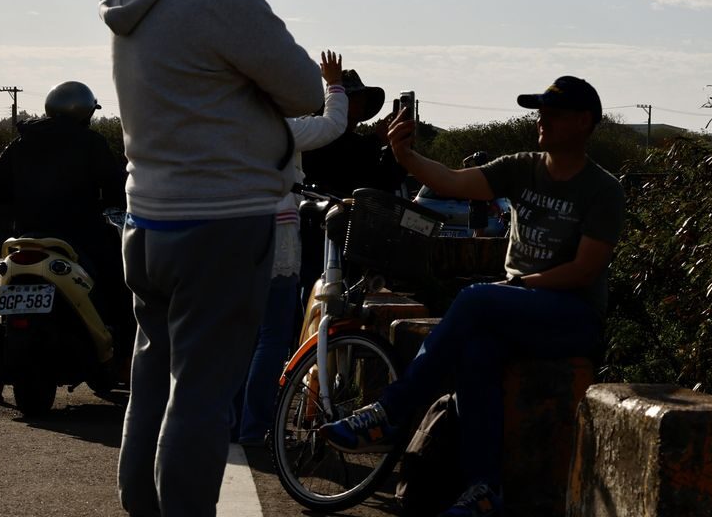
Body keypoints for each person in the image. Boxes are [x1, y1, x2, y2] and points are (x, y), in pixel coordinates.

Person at [100, 0, 323, 517]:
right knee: (201, 397)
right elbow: (307, 90)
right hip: (221, 222)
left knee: (152, 390)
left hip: (147, 221)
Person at [320, 76, 624, 517]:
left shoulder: (603, 189)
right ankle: (485, 488)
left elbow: (585, 270)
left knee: (477, 299)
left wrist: (516, 288)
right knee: (477, 353)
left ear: (583, 123)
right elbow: (452, 181)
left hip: (573, 316)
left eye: (553, 113)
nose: (541, 120)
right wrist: (406, 156)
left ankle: (391, 410)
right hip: (519, 310)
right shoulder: (523, 166)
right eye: (539, 111)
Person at [0, 80, 130, 404]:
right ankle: (125, 363)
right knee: (122, 284)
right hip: (79, 236)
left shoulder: (23, 141)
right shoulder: (90, 142)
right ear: (86, 112)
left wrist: (14, 200)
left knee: (11, 295)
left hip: (27, 238)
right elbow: (116, 187)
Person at [233, 50, 350, 445]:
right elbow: (333, 125)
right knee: (272, 336)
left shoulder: (228, 127)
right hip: (277, 233)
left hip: (233, 233)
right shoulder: (283, 128)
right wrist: (333, 84)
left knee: (240, 335)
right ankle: (256, 426)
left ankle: (232, 421)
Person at [298, 68, 399, 288]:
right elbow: (338, 158)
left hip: (353, 236)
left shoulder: (361, 144)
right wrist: (375, 141)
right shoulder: (317, 134)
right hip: (319, 233)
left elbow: (383, 182)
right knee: (315, 289)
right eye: (354, 98)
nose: (361, 103)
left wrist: (397, 148)